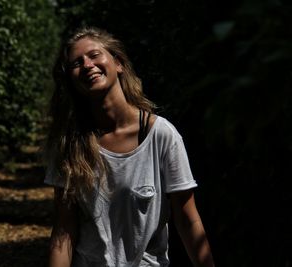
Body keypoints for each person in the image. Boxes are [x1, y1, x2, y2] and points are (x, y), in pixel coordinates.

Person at [44, 26, 215, 267]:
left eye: (94, 55)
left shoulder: (161, 135)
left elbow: (188, 221)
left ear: (118, 64)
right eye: (76, 63)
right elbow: (64, 230)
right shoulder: (70, 144)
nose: (87, 65)